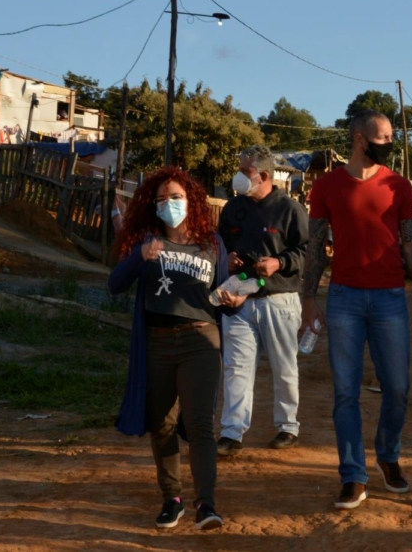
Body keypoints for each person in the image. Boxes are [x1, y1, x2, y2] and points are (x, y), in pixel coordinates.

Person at [301, 110, 412, 511]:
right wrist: (309, 299)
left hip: (391, 298)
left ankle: (388, 455)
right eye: (385, 136)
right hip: (342, 298)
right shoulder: (326, 186)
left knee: (397, 388)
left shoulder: (400, 187)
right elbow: (314, 247)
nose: (390, 143)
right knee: (345, 393)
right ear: (360, 138)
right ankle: (353, 476)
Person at [109, 167, 244, 532]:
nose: (168, 204)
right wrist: (140, 255)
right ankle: (172, 499)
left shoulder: (211, 243)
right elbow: (115, 284)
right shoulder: (147, 240)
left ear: (191, 200)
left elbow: (224, 295)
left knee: (199, 424)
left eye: (176, 197)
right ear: (153, 206)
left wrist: (233, 300)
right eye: (161, 199)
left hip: (201, 341)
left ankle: (206, 504)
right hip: (156, 342)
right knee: (163, 425)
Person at [216, 145, 310, 456]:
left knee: (284, 366)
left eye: (245, 172)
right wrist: (225, 259)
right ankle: (232, 432)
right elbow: (219, 245)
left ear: (264, 176)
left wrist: (278, 263)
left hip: (279, 300)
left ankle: (287, 426)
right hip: (239, 300)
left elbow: (305, 252)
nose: (238, 178)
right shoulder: (233, 208)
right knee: (236, 367)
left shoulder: (290, 209)